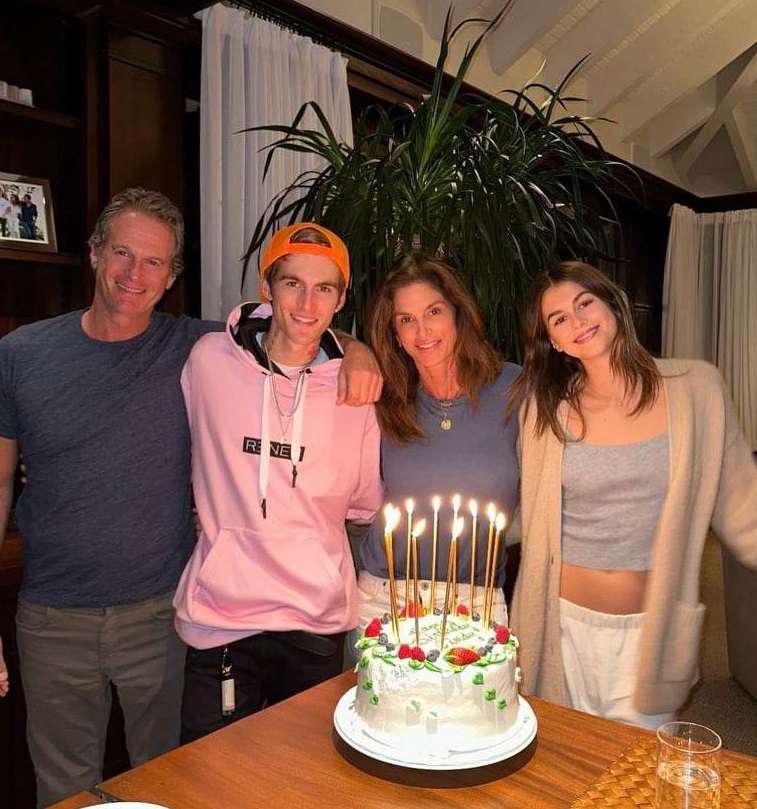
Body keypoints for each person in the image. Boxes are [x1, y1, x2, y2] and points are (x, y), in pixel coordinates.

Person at [0, 189, 380, 807]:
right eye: (122, 253)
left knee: (173, 787)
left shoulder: (193, 345)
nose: (135, 273)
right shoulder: (27, 354)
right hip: (53, 616)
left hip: (158, 615)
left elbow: (300, 332)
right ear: (94, 252)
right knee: (64, 791)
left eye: (154, 262)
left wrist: (360, 352)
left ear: (172, 277)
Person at [509, 260, 757, 729]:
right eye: (559, 319)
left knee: (641, 766)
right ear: (553, 341)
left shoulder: (695, 389)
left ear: (613, 303)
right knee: (566, 760)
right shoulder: (545, 407)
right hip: (558, 628)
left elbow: (744, 504)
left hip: (650, 633)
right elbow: (528, 508)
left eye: (585, 302)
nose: (578, 321)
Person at [174, 222, 383, 743]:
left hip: (314, 621)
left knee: (303, 777)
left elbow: (363, 504)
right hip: (220, 620)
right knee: (209, 777)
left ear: (341, 299)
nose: (307, 303)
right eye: (293, 284)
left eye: (324, 288)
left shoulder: (356, 392)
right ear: (266, 288)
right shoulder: (208, 361)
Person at [356, 253, 520, 630]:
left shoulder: (514, 389)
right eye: (406, 320)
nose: (422, 331)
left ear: (458, 313)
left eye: (433, 312)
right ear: (395, 335)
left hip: (476, 600)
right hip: (385, 595)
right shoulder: (382, 397)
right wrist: (354, 349)